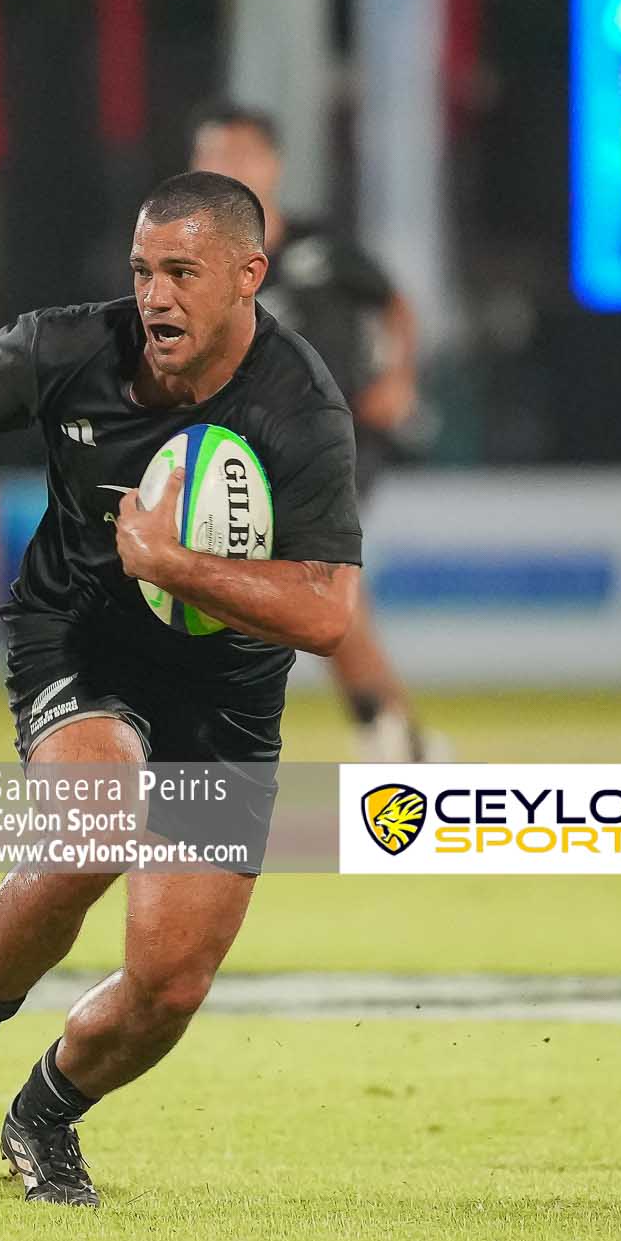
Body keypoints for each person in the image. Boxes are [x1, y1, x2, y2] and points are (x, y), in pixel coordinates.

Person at [0, 172, 359, 1206]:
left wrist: (176, 565)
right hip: (80, 641)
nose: (154, 296)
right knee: (92, 825)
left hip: (225, 693)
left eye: (181, 273)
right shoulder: (63, 347)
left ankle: (44, 1111)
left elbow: (328, 615)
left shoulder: (300, 406)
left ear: (248, 276)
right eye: (142, 271)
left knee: (171, 983)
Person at [190, 103, 442, 762]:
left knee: (313, 573)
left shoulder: (321, 249)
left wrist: (399, 377)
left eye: (240, 153)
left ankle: (390, 735)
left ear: (272, 165)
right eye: (214, 155)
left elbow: (394, 302)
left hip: (339, 439)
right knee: (318, 590)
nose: (226, 167)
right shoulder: (190, 265)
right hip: (247, 451)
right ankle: (396, 733)